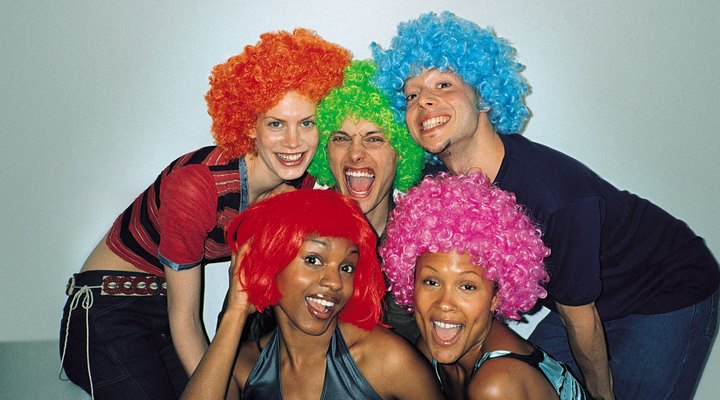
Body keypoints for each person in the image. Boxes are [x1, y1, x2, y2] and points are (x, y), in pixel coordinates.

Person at [372, 11, 720, 400]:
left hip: (661, 289)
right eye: (412, 95)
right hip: (577, 297)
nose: (425, 102)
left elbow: (581, 318)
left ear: (483, 95)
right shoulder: (438, 182)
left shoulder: (551, 196)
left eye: (444, 84)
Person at [59, 29, 350, 399]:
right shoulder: (196, 186)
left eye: (306, 123)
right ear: (249, 125)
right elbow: (186, 319)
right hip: (107, 307)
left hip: (164, 309)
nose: (293, 142)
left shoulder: (300, 186)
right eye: (276, 123)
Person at [181, 189, 444, 400]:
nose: (334, 282)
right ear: (272, 262)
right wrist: (235, 313)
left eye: (346, 267)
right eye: (314, 260)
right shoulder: (245, 365)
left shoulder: (386, 359)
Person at [380, 172, 588, 400]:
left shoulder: (496, 386)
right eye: (431, 282)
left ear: (496, 297)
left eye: (467, 287)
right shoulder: (429, 348)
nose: (444, 304)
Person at [307, 59, 425, 342]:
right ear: (325, 151)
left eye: (374, 139)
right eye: (341, 138)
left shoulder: (425, 242)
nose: (356, 154)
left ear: (402, 153)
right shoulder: (294, 230)